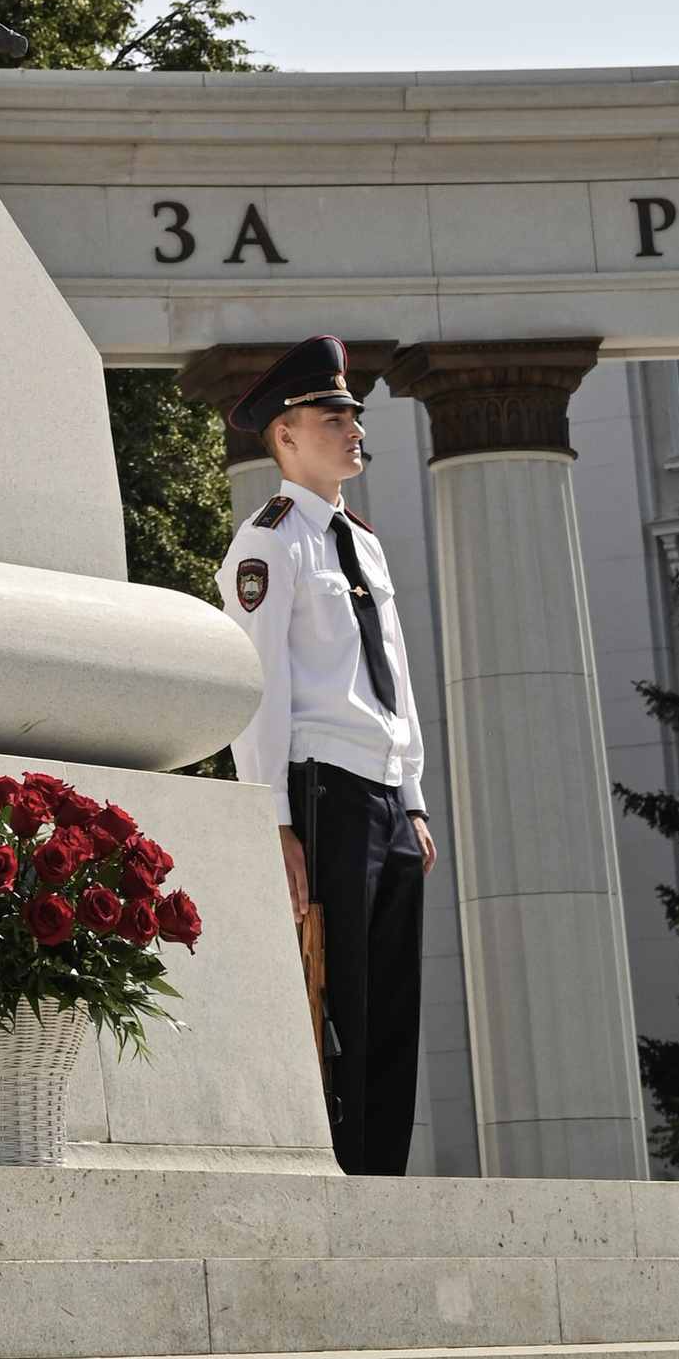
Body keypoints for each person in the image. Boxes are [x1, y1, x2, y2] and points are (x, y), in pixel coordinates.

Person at [217, 334, 436, 1176]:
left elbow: (394, 675)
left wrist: (412, 796)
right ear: (285, 435)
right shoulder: (268, 543)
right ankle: (340, 1176)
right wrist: (272, 822)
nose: (354, 429)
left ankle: (384, 1178)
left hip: (383, 797)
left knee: (391, 1000)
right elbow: (257, 688)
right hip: (322, 794)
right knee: (335, 996)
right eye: (333, 417)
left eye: (354, 414)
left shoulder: (363, 542)